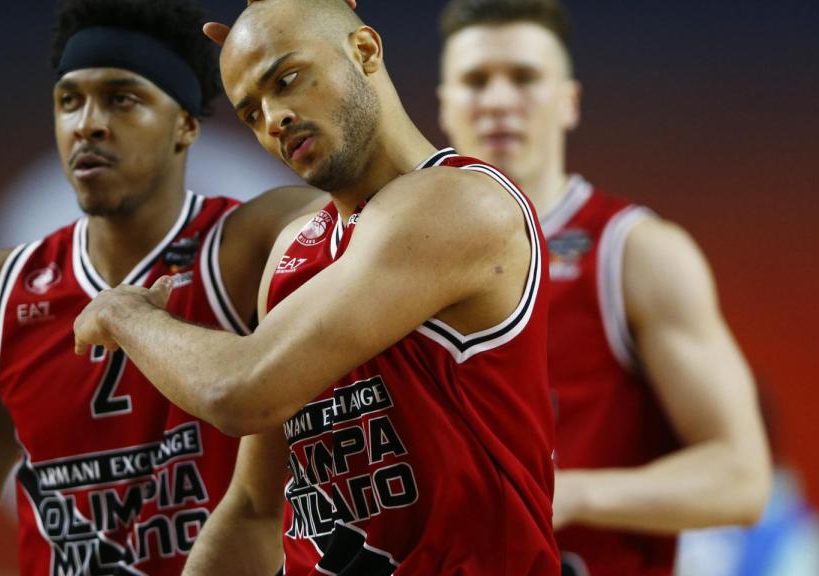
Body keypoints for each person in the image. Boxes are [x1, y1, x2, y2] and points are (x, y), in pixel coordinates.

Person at [74, 0, 558, 573]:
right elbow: (254, 508)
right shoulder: (293, 252)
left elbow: (241, 390)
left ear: (365, 51)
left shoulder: (460, 202)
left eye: (287, 78)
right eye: (250, 111)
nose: (274, 118)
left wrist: (125, 314)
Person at [0, 0, 321, 574]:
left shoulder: (250, 243)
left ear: (185, 125)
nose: (87, 123)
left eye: (122, 98)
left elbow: (379, 212)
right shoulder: (1, 289)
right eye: (69, 100)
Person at [436, 0, 771, 573]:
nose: (496, 100)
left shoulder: (635, 252)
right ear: (444, 105)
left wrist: (570, 494)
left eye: (523, 77)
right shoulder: (398, 257)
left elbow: (740, 477)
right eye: (475, 81)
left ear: (568, 102)